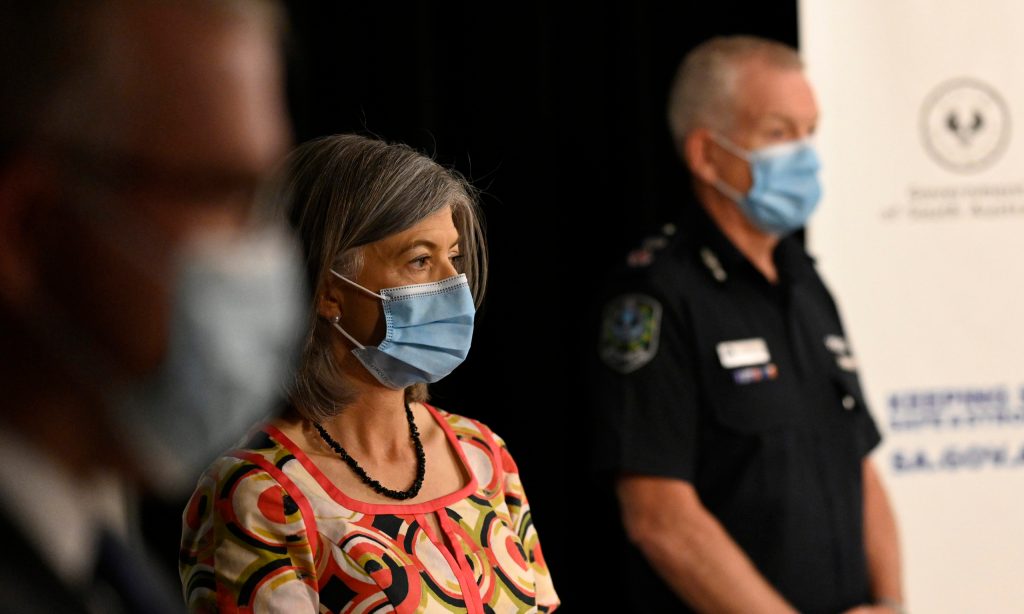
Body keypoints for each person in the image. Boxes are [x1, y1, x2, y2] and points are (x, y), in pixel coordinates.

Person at [0, 1, 300, 612]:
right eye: (224, 195)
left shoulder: (97, 568)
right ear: (28, 229)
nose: (267, 256)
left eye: (266, 202)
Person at [180, 134, 559, 613]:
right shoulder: (261, 494)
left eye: (455, 258)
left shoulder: (485, 456)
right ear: (326, 290)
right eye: (421, 260)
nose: (453, 284)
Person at [592, 36, 903, 613]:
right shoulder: (655, 296)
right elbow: (660, 517)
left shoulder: (805, 280)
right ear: (707, 155)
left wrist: (889, 604)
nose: (806, 154)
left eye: (810, 131)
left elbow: (857, 461)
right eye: (780, 133)